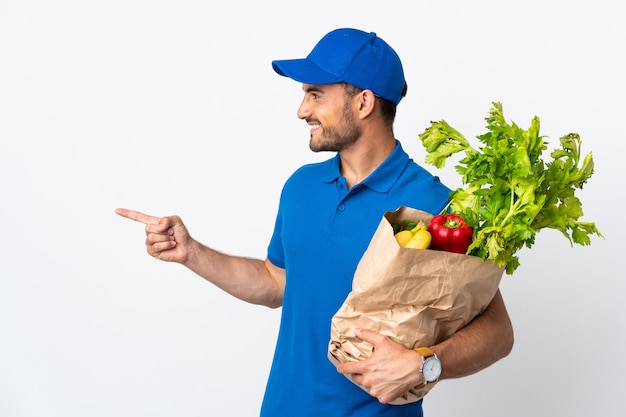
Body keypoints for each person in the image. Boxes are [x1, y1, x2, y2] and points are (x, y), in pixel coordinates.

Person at [116, 28, 514, 417]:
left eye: (316, 94)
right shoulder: (301, 187)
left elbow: (497, 332)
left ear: (363, 102)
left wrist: (425, 364)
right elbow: (277, 282)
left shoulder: (435, 204)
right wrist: (192, 253)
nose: (302, 110)